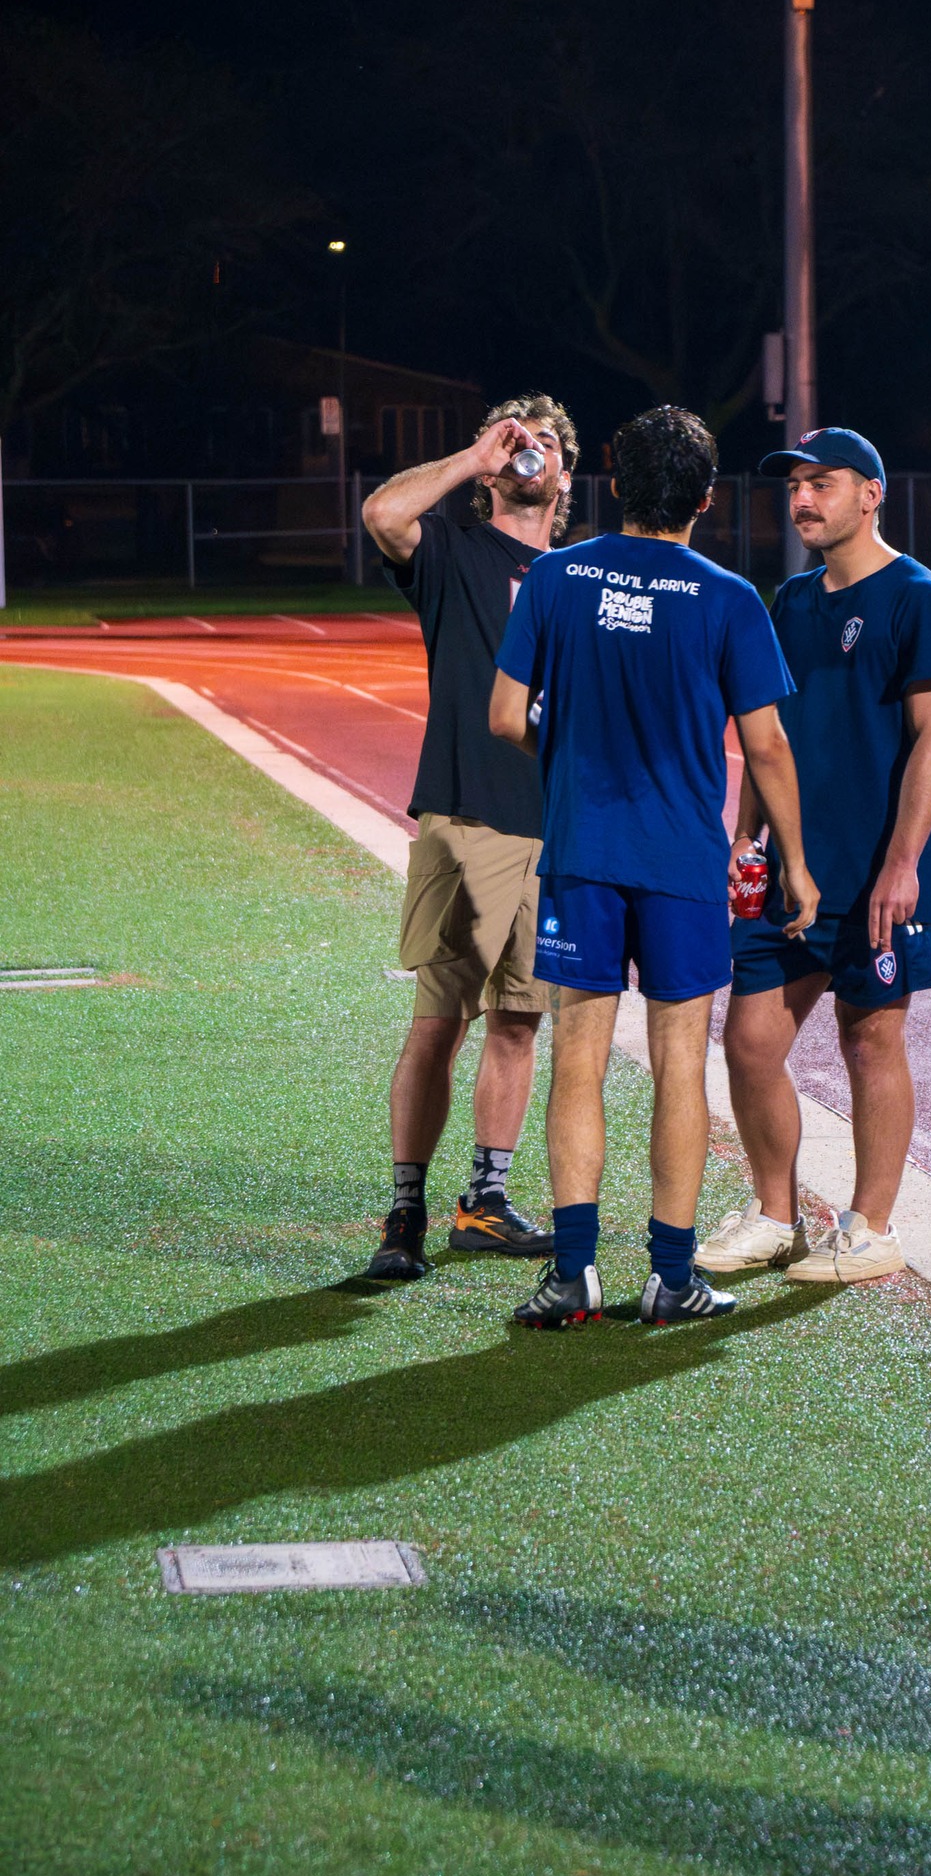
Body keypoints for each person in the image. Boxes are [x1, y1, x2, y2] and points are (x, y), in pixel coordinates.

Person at [489, 404, 819, 1327]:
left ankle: (573, 1276)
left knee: (579, 1062)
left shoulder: (553, 577)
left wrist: (569, 764)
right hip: (681, 860)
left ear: (616, 487)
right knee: (681, 1067)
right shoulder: (728, 598)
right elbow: (768, 749)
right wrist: (794, 862)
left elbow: (506, 718)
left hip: (583, 853)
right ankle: (670, 1279)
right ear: (706, 499)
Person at [697, 426, 931, 1285]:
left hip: (876, 870)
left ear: (870, 494)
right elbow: (764, 731)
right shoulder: (791, 601)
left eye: (823, 483)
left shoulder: (920, 599)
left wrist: (901, 864)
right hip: (791, 870)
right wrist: (746, 834)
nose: (803, 500)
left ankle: (871, 1227)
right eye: (795, 487)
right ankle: (776, 1216)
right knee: (747, 1041)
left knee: (871, 1040)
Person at [359, 393, 580, 1281]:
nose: (533, 455)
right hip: (463, 816)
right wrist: (469, 459)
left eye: (548, 444)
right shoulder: (450, 551)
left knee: (519, 1023)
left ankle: (484, 1203)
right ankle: (404, 1212)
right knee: (437, 1024)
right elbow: (382, 511)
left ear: (569, 469)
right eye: (517, 441)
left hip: (553, 828)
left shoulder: (582, 577)